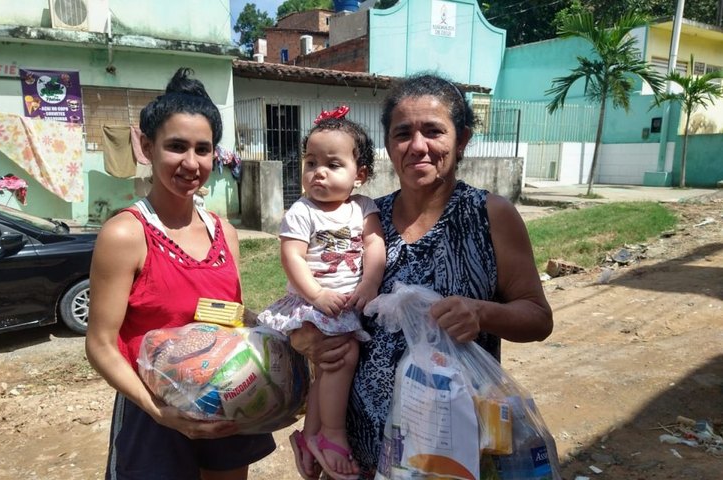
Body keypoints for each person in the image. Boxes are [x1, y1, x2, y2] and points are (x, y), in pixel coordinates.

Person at [289, 73, 554, 479]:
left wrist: (481, 313)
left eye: (433, 131)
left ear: (461, 139)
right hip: (357, 453)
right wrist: (308, 343)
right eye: (402, 133)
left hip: (451, 453)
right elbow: (309, 304)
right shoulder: (361, 218)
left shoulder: (490, 216)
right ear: (388, 145)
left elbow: (538, 317)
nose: (417, 146)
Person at [85, 67, 275, 480]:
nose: (191, 163)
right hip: (154, 415)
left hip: (225, 405)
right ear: (147, 147)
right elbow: (100, 344)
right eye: (176, 147)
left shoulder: (223, 232)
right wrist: (162, 412)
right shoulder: (125, 234)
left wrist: (284, 340)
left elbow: (231, 317)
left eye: (203, 149)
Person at [256, 107, 385, 480]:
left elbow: (375, 244)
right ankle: (331, 434)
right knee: (342, 358)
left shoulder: (362, 208)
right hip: (314, 304)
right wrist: (315, 294)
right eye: (311, 163)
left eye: (332, 164)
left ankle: (310, 434)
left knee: (327, 370)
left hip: (344, 301)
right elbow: (291, 256)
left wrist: (370, 283)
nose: (318, 172)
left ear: (359, 174)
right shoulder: (302, 211)